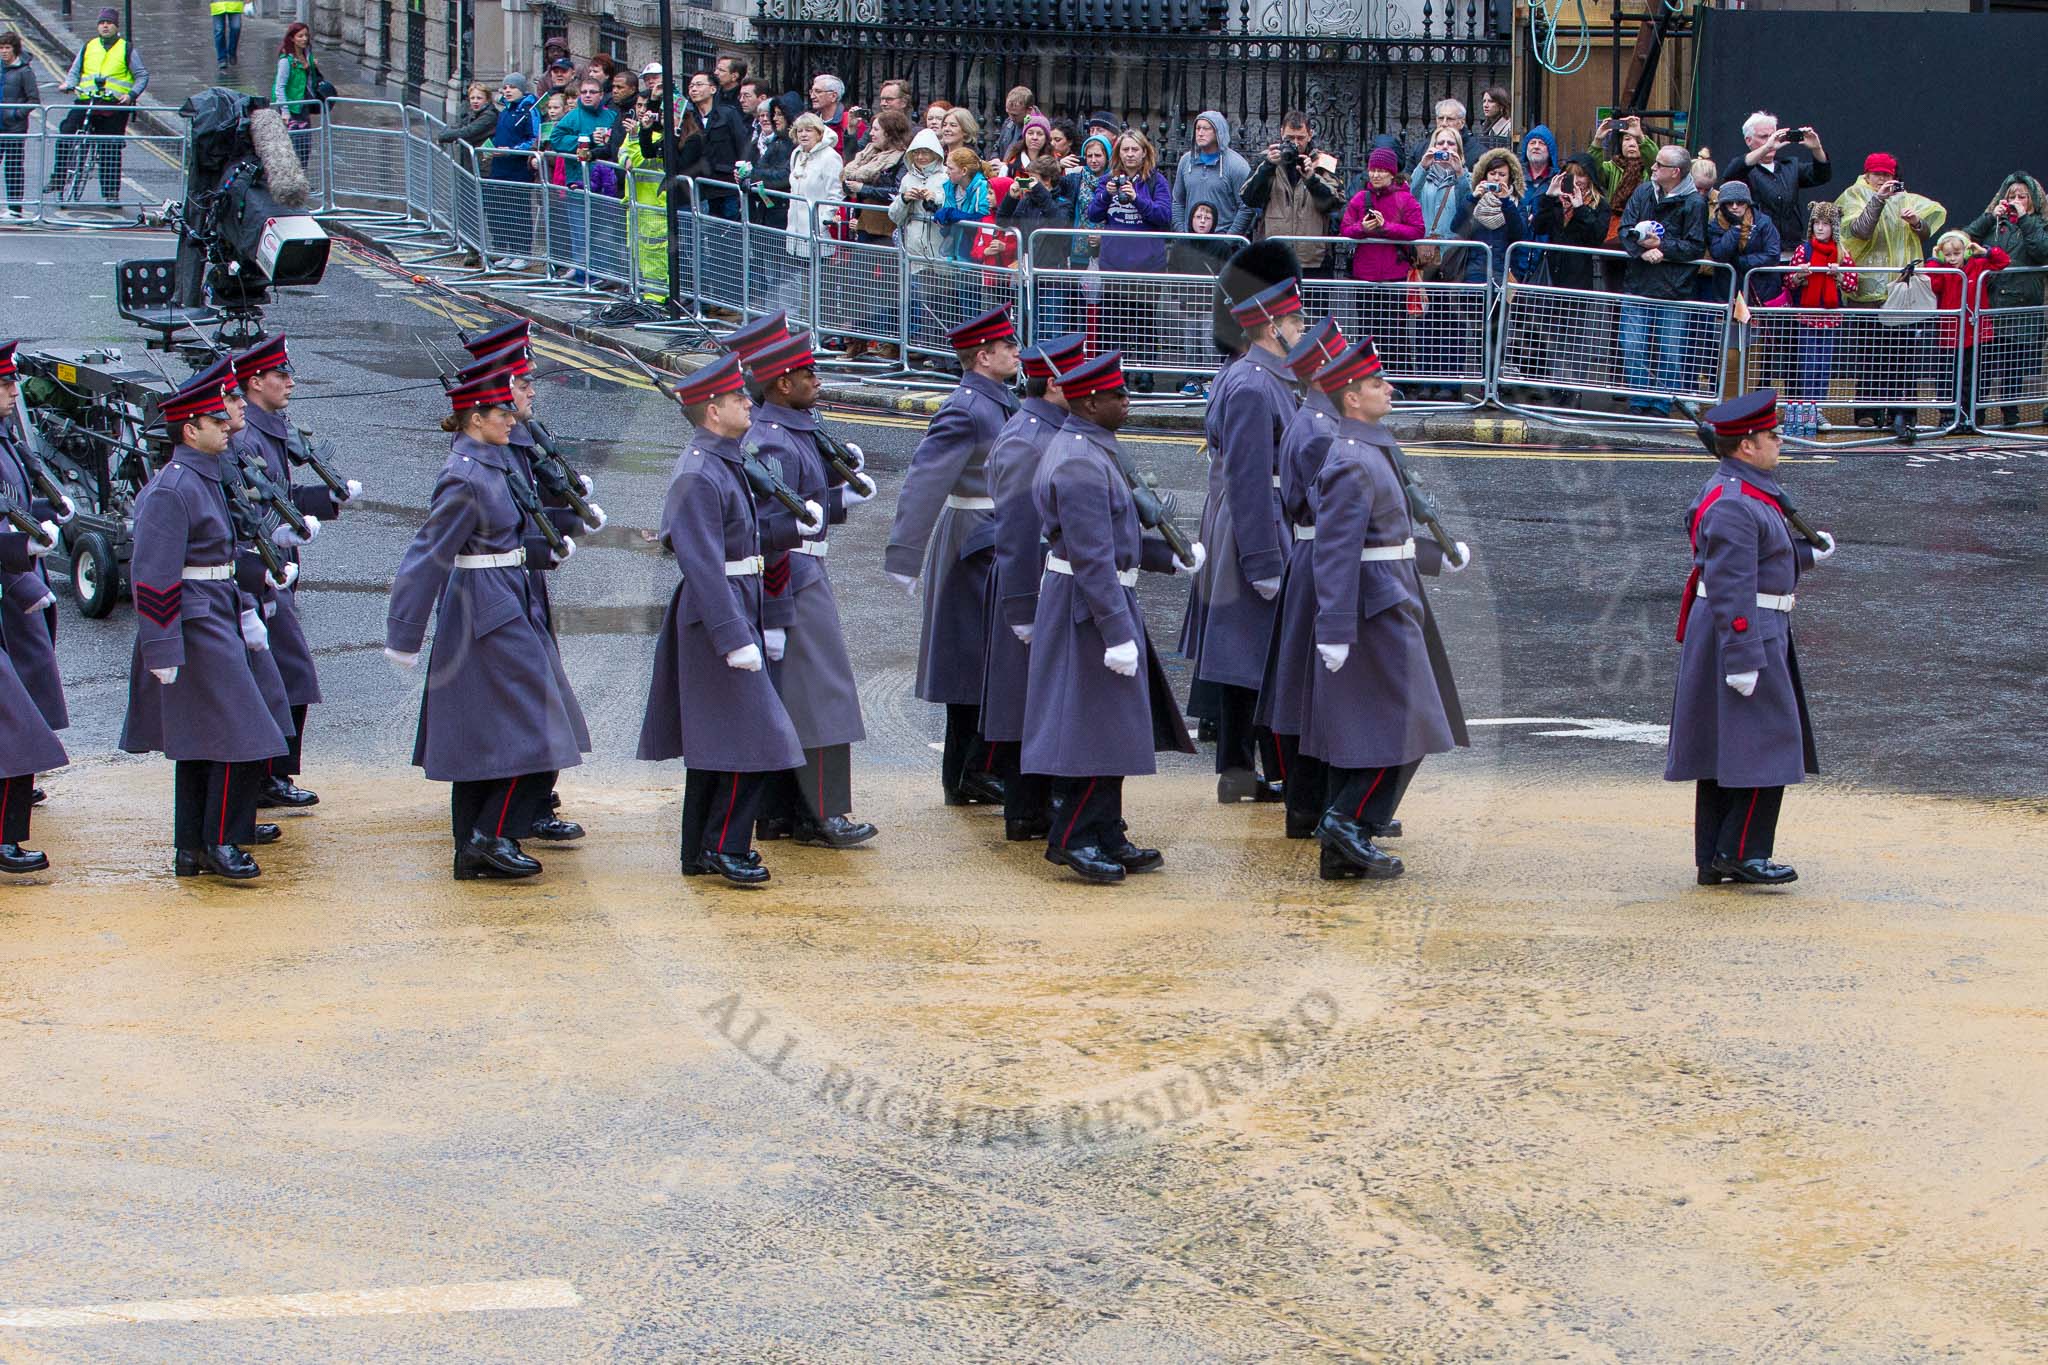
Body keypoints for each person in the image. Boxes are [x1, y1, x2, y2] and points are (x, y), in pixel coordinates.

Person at [385, 354, 587, 881]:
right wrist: (404, 632)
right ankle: (486, 835)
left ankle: (476, 843)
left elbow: (514, 532)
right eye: (501, 411)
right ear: (475, 417)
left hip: (508, 593)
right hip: (486, 605)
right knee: (533, 721)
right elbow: (428, 553)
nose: (510, 418)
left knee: (487, 728)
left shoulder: (494, 459)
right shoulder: (464, 474)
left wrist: (551, 542)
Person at [1022, 350, 1200, 883]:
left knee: (1113, 727)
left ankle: (1106, 831)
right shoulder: (1080, 461)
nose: (1128, 402)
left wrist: (1170, 557)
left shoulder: (1094, 447)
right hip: (1089, 606)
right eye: (1119, 395)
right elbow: (1091, 556)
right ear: (1091, 401)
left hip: (1100, 599)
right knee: (1091, 729)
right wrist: (1117, 632)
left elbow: (1115, 539)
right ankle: (1074, 837)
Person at [1301, 338, 1470, 881]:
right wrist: (1333, 626)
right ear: (1351, 398)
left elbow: (1382, 539)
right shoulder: (1352, 459)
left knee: (1392, 722)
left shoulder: (1368, 448)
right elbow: (1336, 548)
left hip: (1389, 593)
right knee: (1405, 723)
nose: (1388, 388)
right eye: (1376, 384)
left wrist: (1436, 558)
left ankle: (1344, 844)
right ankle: (1347, 820)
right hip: (1374, 607)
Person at [636, 355, 804, 885]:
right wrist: (733, 636)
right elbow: (701, 562)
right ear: (713, 411)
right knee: (755, 738)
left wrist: (798, 522)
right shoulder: (698, 471)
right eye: (738, 399)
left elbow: (743, 538)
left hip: (738, 601)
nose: (748, 403)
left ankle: (702, 850)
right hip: (717, 615)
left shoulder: (725, 458)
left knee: (719, 741)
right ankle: (727, 846)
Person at [118, 369, 290, 880]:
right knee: (243, 735)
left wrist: (242, 607)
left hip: (215, 611)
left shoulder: (203, 476)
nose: (229, 427)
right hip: (193, 623)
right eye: (218, 420)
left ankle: (192, 846)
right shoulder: (174, 488)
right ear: (189, 430)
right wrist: (162, 648)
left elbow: (221, 557)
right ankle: (221, 841)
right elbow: (152, 575)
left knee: (203, 741)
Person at [1666, 390, 1835, 886]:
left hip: (1747, 626)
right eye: (1772, 436)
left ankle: (1716, 856)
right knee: (1769, 742)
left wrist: (1806, 554)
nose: (1779, 442)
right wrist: (1742, 654)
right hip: (1743, 631)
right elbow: (1730, 582)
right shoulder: (1736, 503)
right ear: (1746, 446)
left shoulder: (1745, 491)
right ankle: (1743, 852)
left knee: (1728, 749)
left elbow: (1758, 559)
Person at [458, 319, 602, 843]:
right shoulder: (486, 451)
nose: (530, 390)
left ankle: (534, 800)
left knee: (542, 699)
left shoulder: (519, 436)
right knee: (524, 705)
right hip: (495, 587)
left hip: (521, 580)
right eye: (521, 383)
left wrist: (569, 509)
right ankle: (508, 816)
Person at [740, 334, 878, 848]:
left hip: (804, 572)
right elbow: (774, 533)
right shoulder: (774, 439)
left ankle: (784, 811)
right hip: (795, 579)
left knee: (798, 698)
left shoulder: (792, 430)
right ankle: (824, 813)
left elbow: (807, 503)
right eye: (808, 373)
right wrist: (775, 610)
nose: (817, 379)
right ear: (783, 382)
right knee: (823, 698)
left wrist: (840, 500)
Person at [883, 307, 1021, 805]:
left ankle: (973, 770)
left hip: (994, 533)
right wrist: (905, 555)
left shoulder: (997, 399)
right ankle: (968, 771)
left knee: (988, 658)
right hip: (972, 539)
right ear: (982, 357)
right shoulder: (966, 407)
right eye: (1006, 346)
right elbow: (925, 481)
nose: (1015, 351)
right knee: (973, 660)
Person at [226, 335, 361, 812]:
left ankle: (272, 773)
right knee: (285, 672)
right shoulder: (244, 436)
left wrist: (327, 500)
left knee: (287, 672)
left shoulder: (271, 428)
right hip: (258, 570)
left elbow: (280, 493)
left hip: (277, 566)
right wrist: (268, 552)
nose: (290, 382)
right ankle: (268, 775)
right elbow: (246, 510)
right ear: (255, 381)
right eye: (280, 375)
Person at [1188, 277, 1305, 803]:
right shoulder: (1256, 385)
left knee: (1241, 655)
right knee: (1263, 653)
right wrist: (1263, 559)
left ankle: (1236, 770)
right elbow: (1251, 477)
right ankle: (1273, 771)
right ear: (1272, 327)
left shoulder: (1257, 376)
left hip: (1246, 519)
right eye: (1296, 322)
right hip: (1255, 523)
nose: (1301, 330)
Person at [983, 332, 1086, 842]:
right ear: (1056, 386)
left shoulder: (1050, 430)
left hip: (1047, 586)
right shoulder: (1028, 440)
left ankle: (1041, 803)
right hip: (1033, 588)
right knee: (1028, 701)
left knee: (1042, 699)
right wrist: (1023, 609)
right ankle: (1027, 809)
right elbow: (1019, 534)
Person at [1255, 317, 1348, 838]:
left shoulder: (1320, 420)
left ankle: (1316, 804)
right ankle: (1311, 806)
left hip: (1316, 562)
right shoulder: (1317, 429)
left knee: (1313, 692)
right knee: (1310, 694)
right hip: (1321, 564)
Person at [0, 340, 71, 818]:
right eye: (5, 383)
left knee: (22, 692)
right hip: (11, 580)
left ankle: (17, 780)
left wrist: (49, 511)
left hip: (20, 572)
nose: (13, 391)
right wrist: (26, 579)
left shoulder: (7, 438)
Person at [1836, 153, 1945, 439]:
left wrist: (1916, 222)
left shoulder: (1906, 198)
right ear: (1867, 174)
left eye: (1887, 174)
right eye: (1877, 174)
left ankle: (1903, 413)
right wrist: (1879, 199)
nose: (1883, 179)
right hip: (1867, 292)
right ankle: (1868, 413)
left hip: (1901, 289)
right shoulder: (1853, 196)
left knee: (1903, 354)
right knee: (1870, 354)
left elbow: (1924, 232)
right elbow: (1858, 231)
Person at [1617, 145, 1707, 416]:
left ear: (1675, 172)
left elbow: (1694, 246)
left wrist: (1663, 247)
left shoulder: (1695, 203)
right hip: (1638, 282)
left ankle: (1661, 403)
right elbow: (1625, 228)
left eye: (1659, 164)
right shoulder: (1644, 191)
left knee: (1670, 351)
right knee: (1632, 346)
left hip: (1674, 288)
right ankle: (1639, 399)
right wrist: (1644, 251)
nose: (1653, 168)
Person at [1086, 131, 1173, 384]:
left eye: (1135, 149)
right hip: (1114, 263)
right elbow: (1092, 214)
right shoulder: (1107, 180)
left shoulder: (1157, 181)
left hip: (1147, 265)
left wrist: (1138, 199)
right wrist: (1106, 195)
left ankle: (1145, 372)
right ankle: (1114, 373)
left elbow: (1164, 216)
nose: (1130, 154)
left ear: (1144, 152)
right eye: (1125, 150)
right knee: (1113, 322)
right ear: (1119, 153)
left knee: (1144, 321)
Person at [1964, 172, 2048, 427]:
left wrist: (2024, 219)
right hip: (1990, 305)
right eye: (2012, 196)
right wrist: (1990, 215)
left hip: (2021, 306)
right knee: (1984, 364)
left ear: (2033, 200)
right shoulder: (1994, 222)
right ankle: (1975, 415)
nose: (2016, 200)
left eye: (2023, 196)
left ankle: (2010, 414)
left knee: (2014, 366)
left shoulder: (2039, 224)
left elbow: (2042, 251)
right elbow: (1963, 240)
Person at [48, 10, 149, 203]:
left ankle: (111, 194)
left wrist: (131, 95)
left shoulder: (127, 48)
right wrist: (68, 84)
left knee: (109, 147)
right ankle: (59, 179)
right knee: (66, 131)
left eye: (109, 23)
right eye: (102, 22)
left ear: (116, 27)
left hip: (114, 106)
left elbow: (142, 75)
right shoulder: (89, 46)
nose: (105, 25)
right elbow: (75, 71)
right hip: (87, 100)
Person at [1339, 146, 1424, 374]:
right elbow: (1345, 229)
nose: (1375, 175)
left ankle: (1399, 377)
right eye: (1372, 170)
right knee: (1367, 328)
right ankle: (1367, 373)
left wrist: (1386, 227)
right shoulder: (1360, 198)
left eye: (1381, 171)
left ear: (1392, 173)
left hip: (1394, 275)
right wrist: (1362, 228)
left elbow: (1417, 231)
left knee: (1395, 330)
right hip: (1365, 275)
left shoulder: (1405, 199)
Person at [1242, 112, 1344, 276]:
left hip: (1313, 260)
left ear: (1310, 135)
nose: (1296, 143)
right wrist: (1268, 167)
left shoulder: (1324, 163)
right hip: (1274, 257)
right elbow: (1249, 198)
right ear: (1281, 132)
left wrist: (1312, 180)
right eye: (1290, 138)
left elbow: (1335, 204)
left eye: (1301, 138)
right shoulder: (1266, 159)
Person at [1926, 230, 2008, 429]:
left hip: (1977, 333)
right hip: (1950, 335)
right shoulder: (1943, 271)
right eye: (1948, 254)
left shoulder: (1978, 266)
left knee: (1977, 377)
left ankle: (1974, 415)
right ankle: (1948, 415)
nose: (1953, 259)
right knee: (1948, 377)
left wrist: (1985, 251)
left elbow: (2003, 262)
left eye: (1957, 253)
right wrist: (1934, 260)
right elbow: (1932, 282)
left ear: (1966, 252)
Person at [1737, 113, 1830, 257]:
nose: (1771, 141)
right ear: (1748, 140)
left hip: (1790, 247)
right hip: (1758, 250)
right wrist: (1766, 148)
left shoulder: (1789, 166)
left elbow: (1822, 176)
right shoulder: (1744, 170)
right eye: (1764, 137)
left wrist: (1816, 148)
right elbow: (1731, 172)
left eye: (1773, 135)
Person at [480, 73, 540, 271]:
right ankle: (508, 251)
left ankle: (522, 254)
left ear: (522, 89)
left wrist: (514, 151)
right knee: (502, 211)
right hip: (500, 168)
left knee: (519, 212)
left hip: (518, 169)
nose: (507, 91)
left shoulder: (529, 110)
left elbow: (534, 139)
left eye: (512, 87)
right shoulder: (505, 110)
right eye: (504, 87)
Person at [1172, 110, 1251, 236]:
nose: (1200, 133)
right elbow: (1178, 202)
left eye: (1206, 129)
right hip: (1190, 242)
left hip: (1223, 242)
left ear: (1219, 131)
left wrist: (1228, 240)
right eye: (1198, 128)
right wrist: (1182, 235)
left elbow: (1246, 207)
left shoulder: (1237, 165)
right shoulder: (1186, 161)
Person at [1586, 115, 1655, 250]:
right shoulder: (1612, 167)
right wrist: (1598, 140)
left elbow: (1654, 160)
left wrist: (1641, 136)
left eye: (1636, 140)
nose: (1631, 144)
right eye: (1627, 139)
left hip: (1643, 229)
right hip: (1613, 231)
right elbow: (1592, 171)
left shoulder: (1651, 168)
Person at [271, 23, 321, 164]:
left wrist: (313, 66)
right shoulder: (286, 61)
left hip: (303, 105)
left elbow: (309, 81)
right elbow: (280, 88)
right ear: (292, 38)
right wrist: (285, 111)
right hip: (291, 107)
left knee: (305, 145)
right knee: (293, 146)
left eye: (306, 35)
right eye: (300, 36)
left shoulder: (308, 55)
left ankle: (302, 176)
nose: (304, 39)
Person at [0, 33, 35, 219]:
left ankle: (15, 209)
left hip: (14, 128)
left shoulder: (25, 72)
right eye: (1, 48)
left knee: (13, 167)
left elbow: (33, 99)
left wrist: (15, 114)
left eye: (7, 48)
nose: (4, 52)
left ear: (15, 49)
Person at [809, 73, 864, 152]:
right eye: (812, 91)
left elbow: (857, 153)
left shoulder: (851, 121)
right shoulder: (810, 122)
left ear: (833, 96)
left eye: (818, 91)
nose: (812, 96)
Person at [439, 83, 499, 149]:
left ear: (487, 100)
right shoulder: (475, 112)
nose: (475, 101)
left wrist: (444, 136)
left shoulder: (489, 115)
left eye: (479, 98)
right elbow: (461, 124)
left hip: (486, 155)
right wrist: (447, 131)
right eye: (472, 98)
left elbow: (468, 131)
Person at [211, 0, 245, 76]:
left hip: (235, 4)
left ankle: (232, 52)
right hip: (218, 5)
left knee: (236, 28)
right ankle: (222, 59)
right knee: (219, 31)